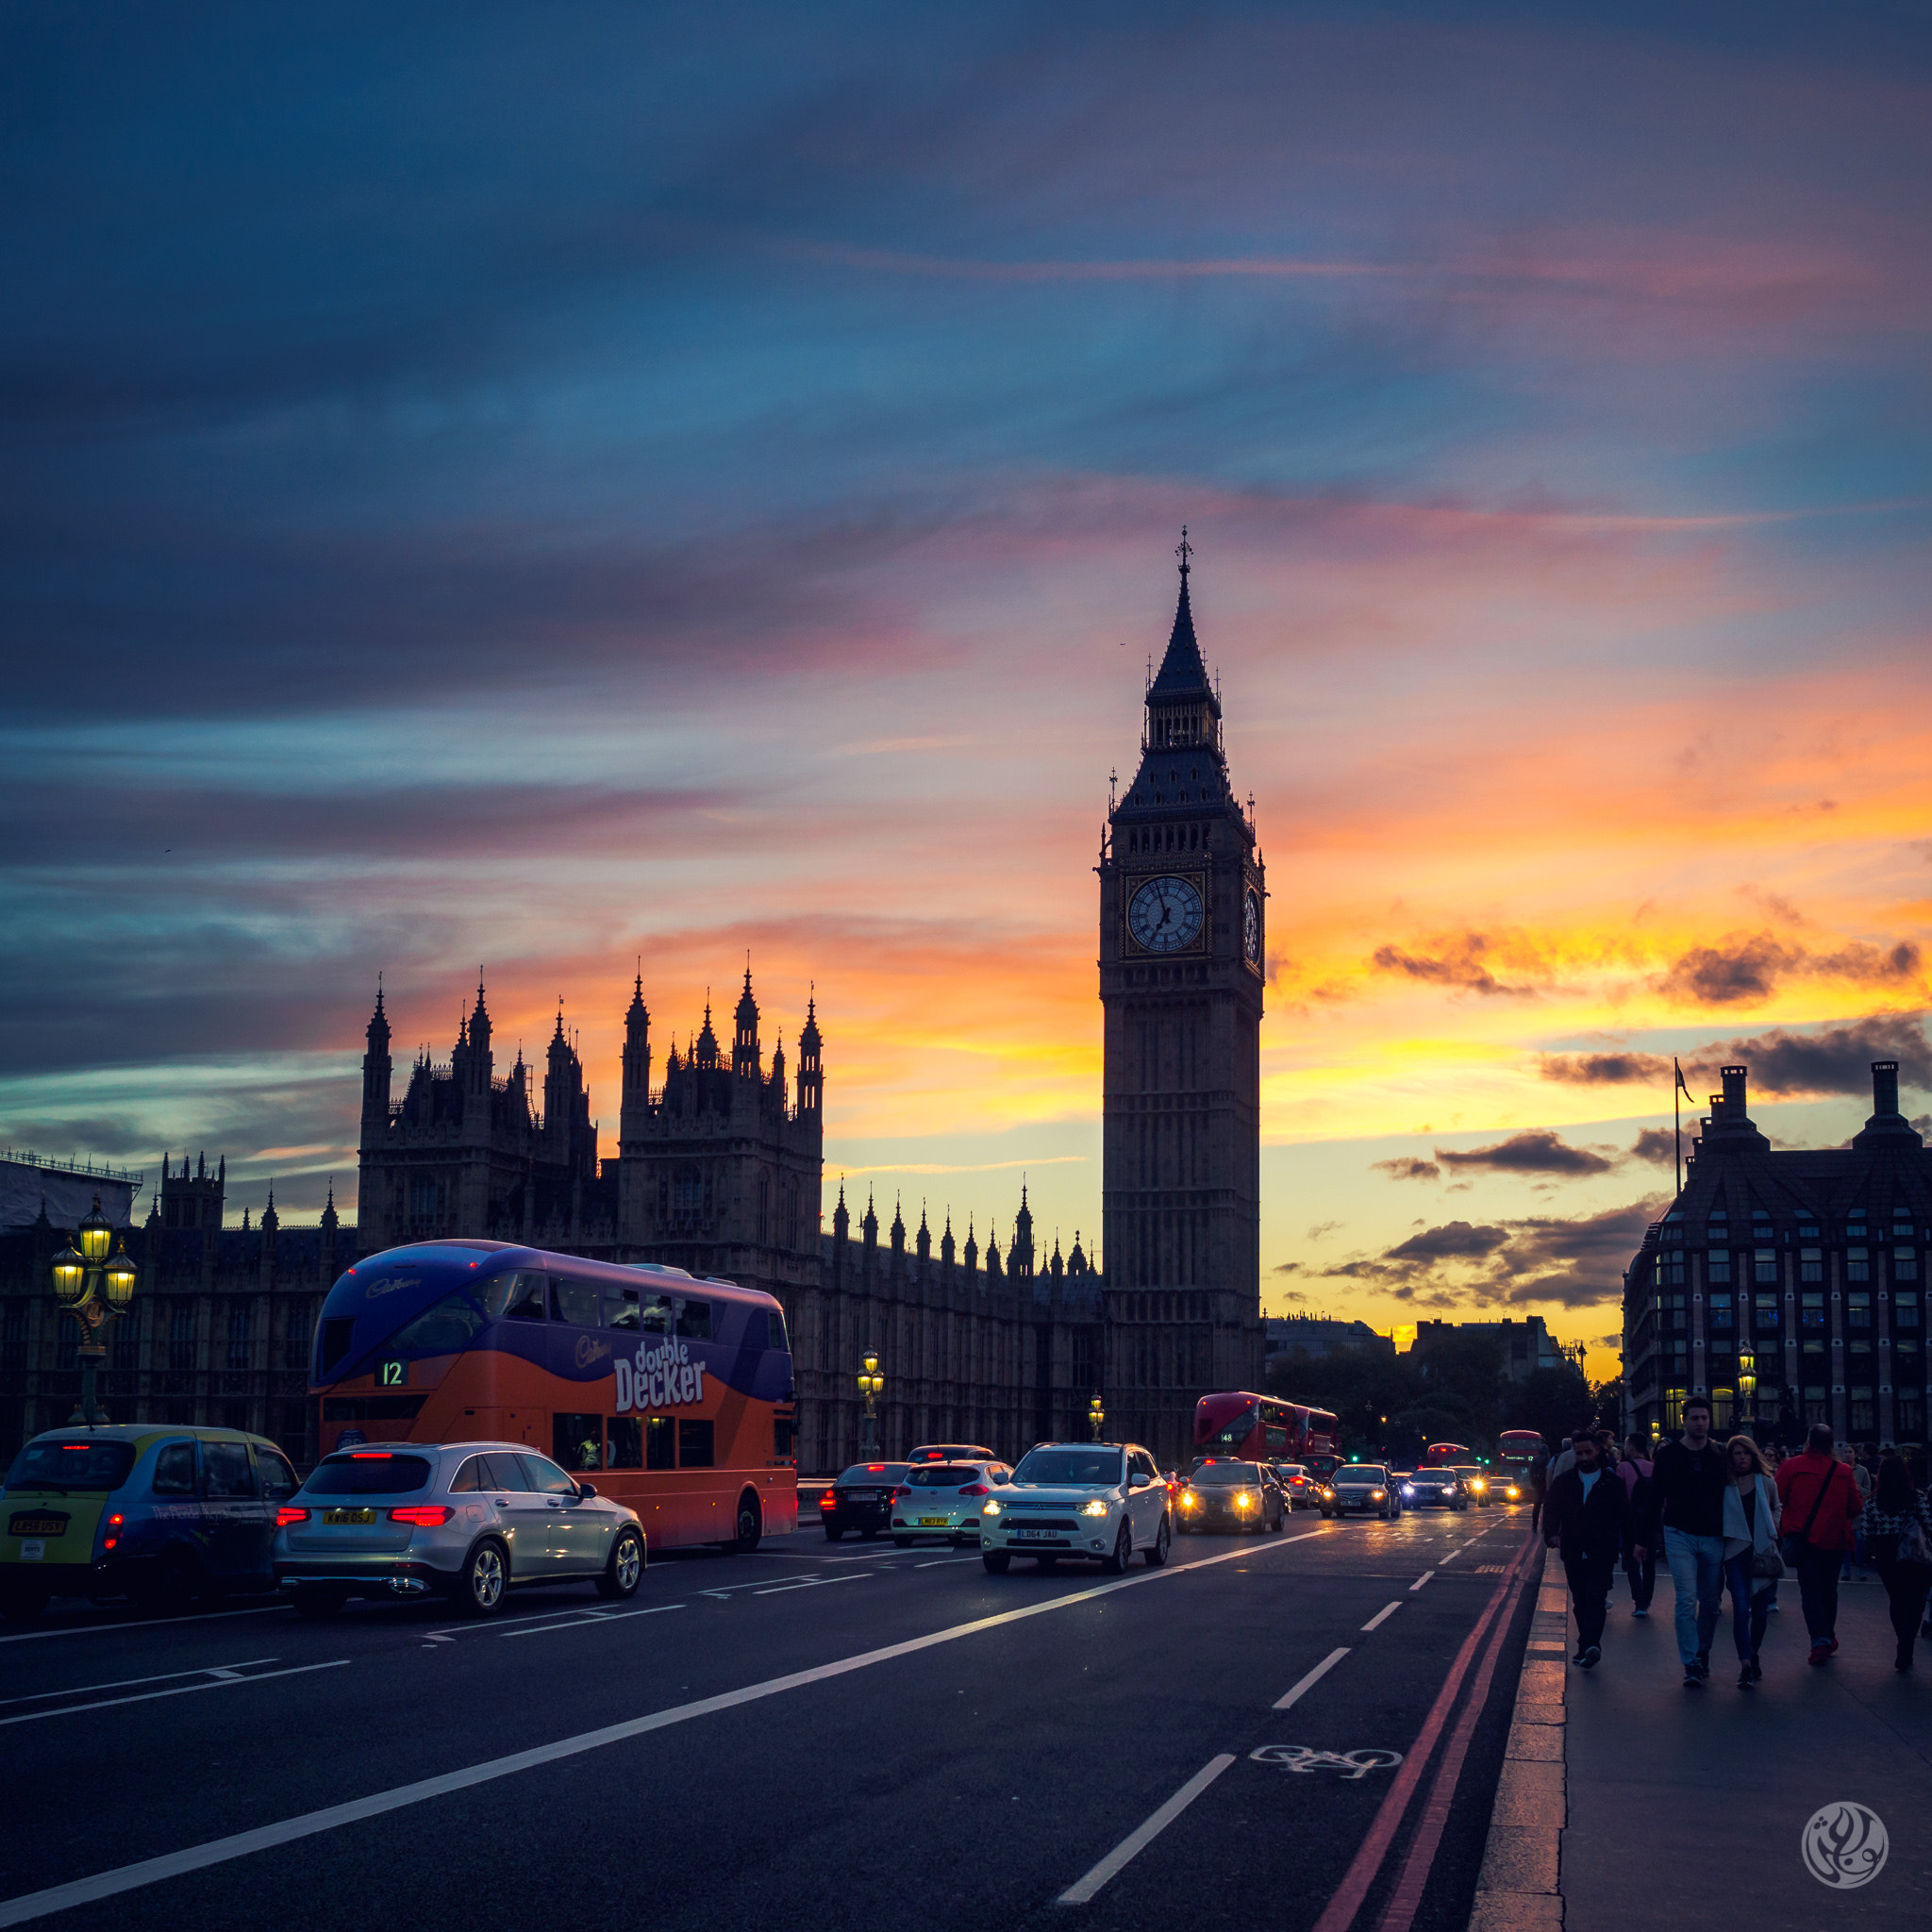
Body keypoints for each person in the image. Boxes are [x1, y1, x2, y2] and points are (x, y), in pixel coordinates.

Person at [1651, 1397, 1730, 1687]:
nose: (1700, 1423)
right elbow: (1655, 1496)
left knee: (1710, 1603)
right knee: (1686, 1599)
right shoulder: (1670, 1455)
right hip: (1679, 1533)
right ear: (1684, 1420)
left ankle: (1702, 1651)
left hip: (1713, 1535)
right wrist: (1645, 1538)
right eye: (1695, 1418)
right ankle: (1691, 1662)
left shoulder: (1720, 1454)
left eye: (1704, 1418)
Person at [1775, 1424, 1863, 1664]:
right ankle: (1829, 1635)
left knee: (1810, 1592)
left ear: (1808, 1442)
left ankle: (1819, 1640)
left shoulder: (1791, 1467)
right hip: (1834, 1541)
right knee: (1829, 1591)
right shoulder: (1843, 1471)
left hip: (1804, 1541)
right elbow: (1855, 1508)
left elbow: (1777, 1497)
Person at [1541, 1428, 1630, 1669]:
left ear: (1598, 1450)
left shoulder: (1612, 1483)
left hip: (1602, 1549)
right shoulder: (1564, 1483)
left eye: (1588, 1452)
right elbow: (1551, 1510)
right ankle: (1585, 1645)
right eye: (1579, 1453)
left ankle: (1592, 1644)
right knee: (1580, 1600)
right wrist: (1551, 1535)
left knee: (1596, 1596)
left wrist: (1633, 1546)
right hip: (1572, 1548)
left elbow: (1625, 1516)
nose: (1584, 1458)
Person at [1719, 1435, 1781, 1688]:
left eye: (1746, 1453)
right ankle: (1745, 1663)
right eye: (1737, 1453)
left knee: (1760, 1612)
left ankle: (1754, 1651)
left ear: (1753, 1456)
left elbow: (1777, 1506)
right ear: (1730, 1457)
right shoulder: (1725, 1484)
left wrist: (1773, 1525)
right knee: (1741, 1608)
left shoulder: (1765, 1482)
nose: (1742, 1458)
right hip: (1735, 1552)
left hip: (1762, 1551)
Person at [1862, 1453, 1932, 1672]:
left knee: (1896, 1599)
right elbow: (1928, 1524)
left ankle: (1902, 1639)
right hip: (1914, 1554)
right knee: (1916, 1601)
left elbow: (1866, 1532)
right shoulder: (1915, 1498)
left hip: (1887, 1555)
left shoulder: (1873, 1502)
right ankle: (1907, 1642)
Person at [1619, 1432, 1657, 1615]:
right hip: (1650, 1521)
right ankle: (1647, 1599)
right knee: (1650, 1562)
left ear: (1632, 1447)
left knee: (1632, 1562)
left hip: (1630, 1521)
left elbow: (1619, 1497)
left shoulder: (1623, 1468)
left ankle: (1639, 1602)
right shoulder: (1653, 1467)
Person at [1841, 1447, 1874, 1582]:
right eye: (1846, 1452)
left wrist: (1854, 1485)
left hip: (1858, 1511)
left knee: (1860, 1540)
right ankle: (1846, 1570)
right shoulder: (1840, 1469)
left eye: (1850, 1452)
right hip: (1843, 1511)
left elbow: (1867, 1491)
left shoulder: (1862, 1471)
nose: (1848, 1454)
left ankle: (1861, 1570)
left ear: (1855, 1454)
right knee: (1845, 1543)